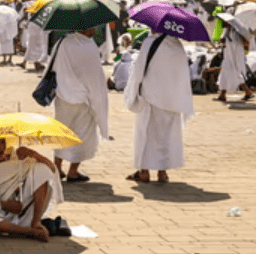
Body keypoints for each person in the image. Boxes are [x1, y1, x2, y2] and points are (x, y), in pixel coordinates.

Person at [123, 32, 194, 184]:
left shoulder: (150, 42)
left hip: (151, 96)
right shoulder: (177, 45)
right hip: (172, 99)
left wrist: (133, 91)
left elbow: (139, 68)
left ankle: (144, 172)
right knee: (166, 136)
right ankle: (162, 173)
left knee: (146, 134)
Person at [49, 27, 110, 182]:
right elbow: (94, 77)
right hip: (83, 99)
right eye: (93, 26)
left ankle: (57, 168)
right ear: (86, 28)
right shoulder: (89, 46)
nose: (96, 29)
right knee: (82, 134)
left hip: (63, 96)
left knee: (62, 131)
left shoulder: (63, 42)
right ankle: (73, 171)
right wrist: (98, 101)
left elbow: (53, 66)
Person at [215, 21, 254, 102]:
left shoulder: (235, 34)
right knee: (224, 76)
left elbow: (236, 48)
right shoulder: (228, 31)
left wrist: (236, 63)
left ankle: (247, 92)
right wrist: (223, 42)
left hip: (234, 60)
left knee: (235, 76)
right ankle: (222, 95)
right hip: (228, 59)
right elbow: (227, 43)